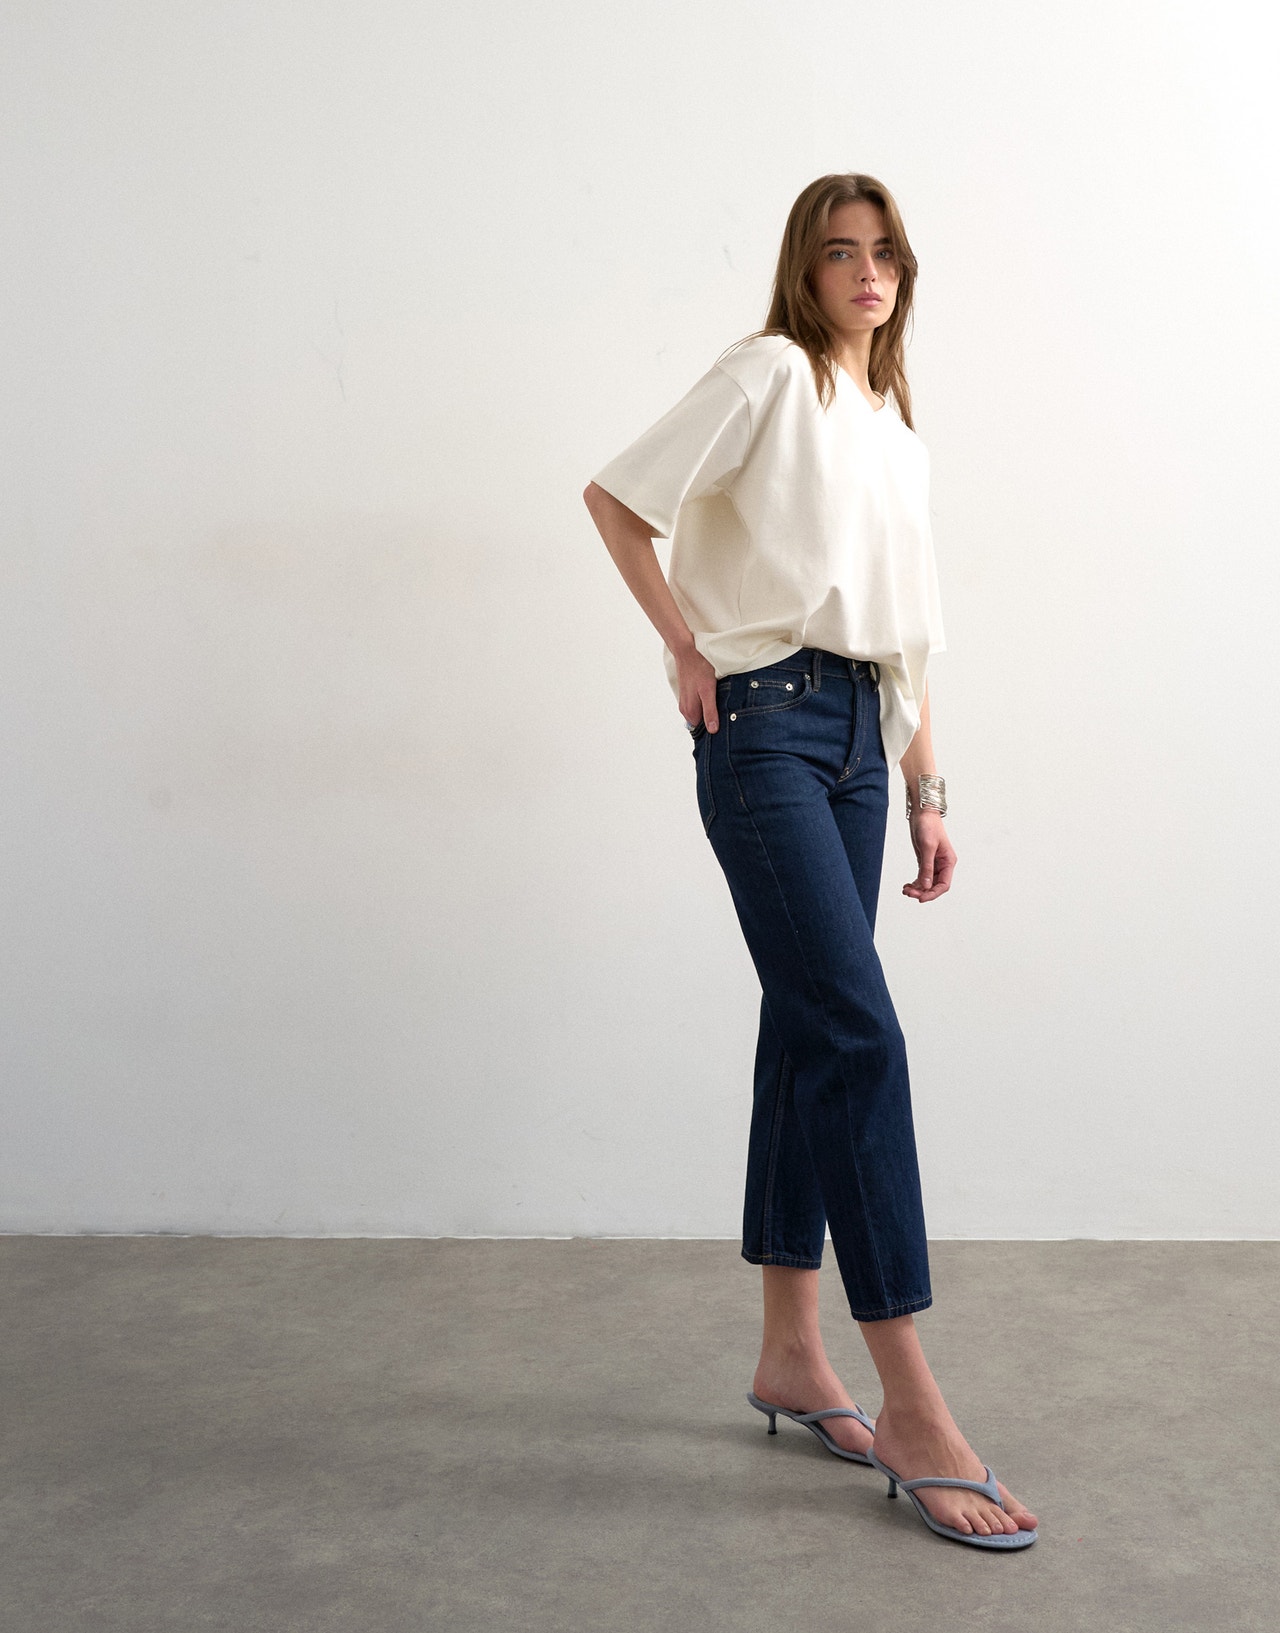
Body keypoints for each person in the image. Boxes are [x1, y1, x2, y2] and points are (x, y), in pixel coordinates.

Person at [582, 173, 1038, 1550]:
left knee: (805, 1028)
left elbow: (908, 637)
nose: (866, 271)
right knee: (858, 1035)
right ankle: (914, 1401)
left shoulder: (896, 429)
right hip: (766, 726)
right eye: (841, 252)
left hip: (861, 740)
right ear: (806, 268)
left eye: (884, 251)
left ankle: (792, 1353)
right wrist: (684, 646)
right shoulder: (769, 374)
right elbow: (616, 498)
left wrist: (928, 791)